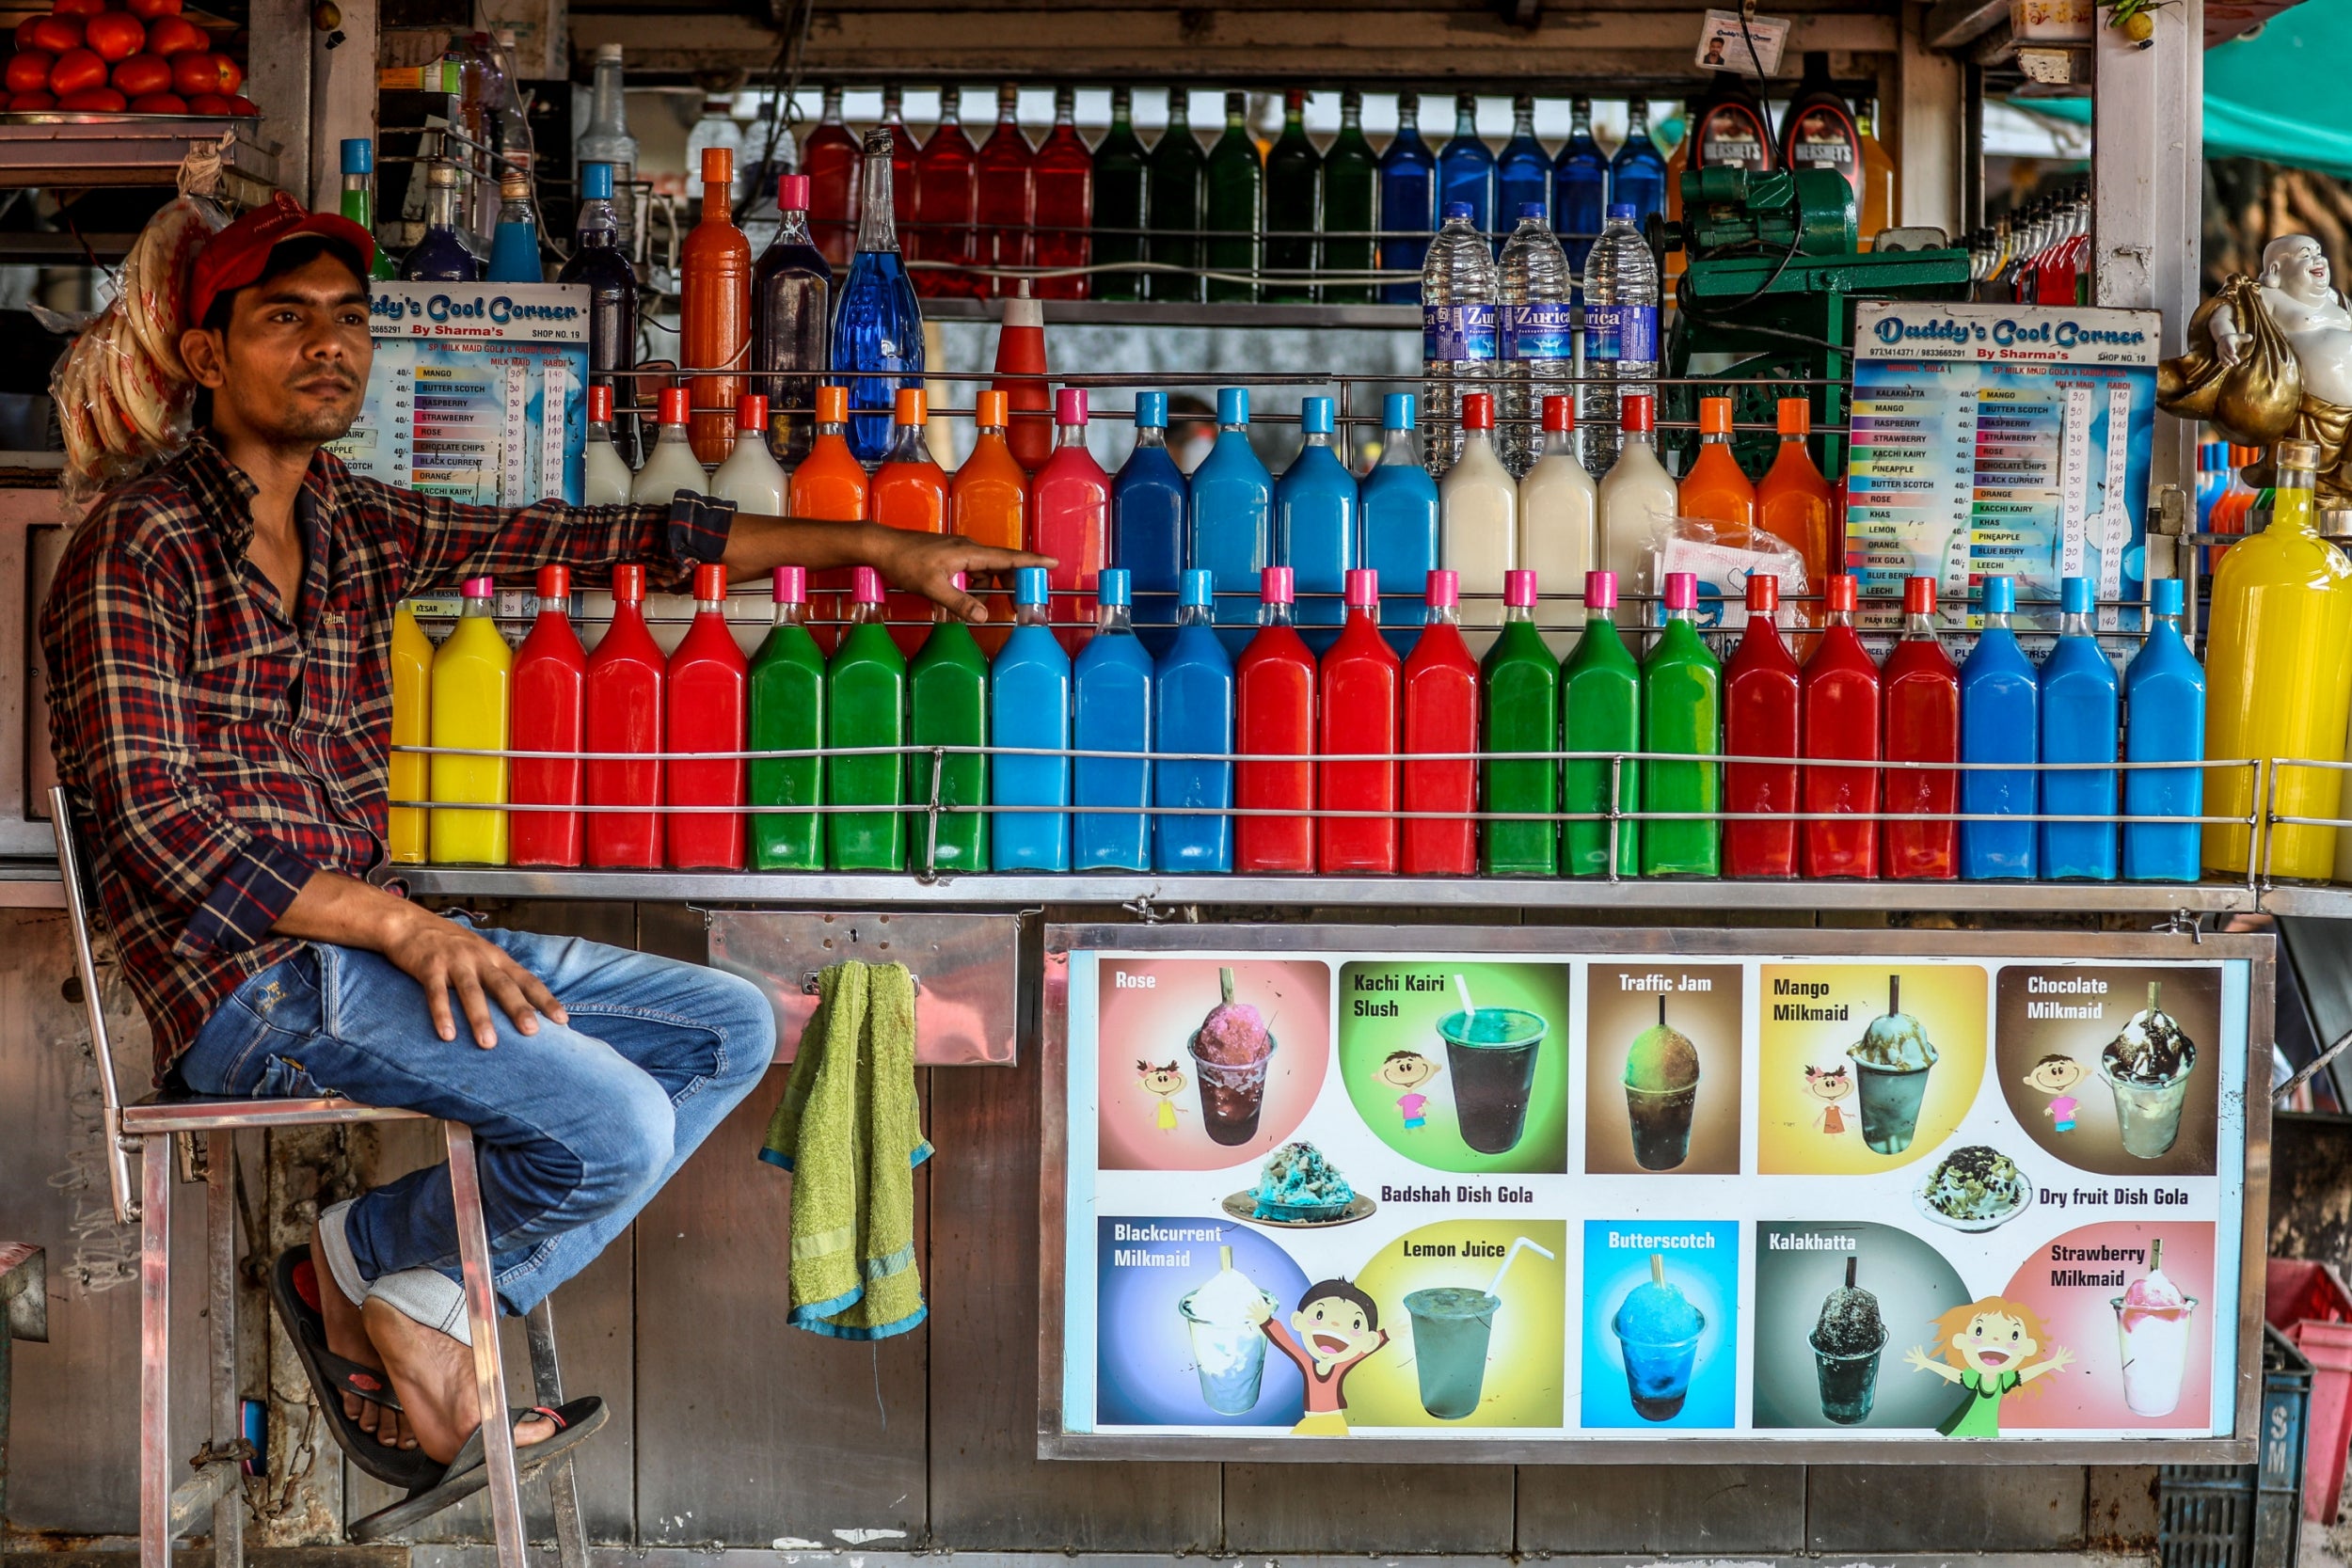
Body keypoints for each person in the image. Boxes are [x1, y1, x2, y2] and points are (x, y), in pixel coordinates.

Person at [39, 195, 1048, 1491]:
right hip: (244, 986)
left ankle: (392, 1275)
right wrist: (405, 924)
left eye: (350, 320)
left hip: (378, 956)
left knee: (729, 1029)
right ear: (205, 356)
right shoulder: (139, 545)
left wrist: (875, 545)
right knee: (620, 1124)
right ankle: (409, 1302)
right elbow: (159, 826)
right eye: (285, 320)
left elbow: (615, 537)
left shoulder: (355, 520)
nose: (330, 346)